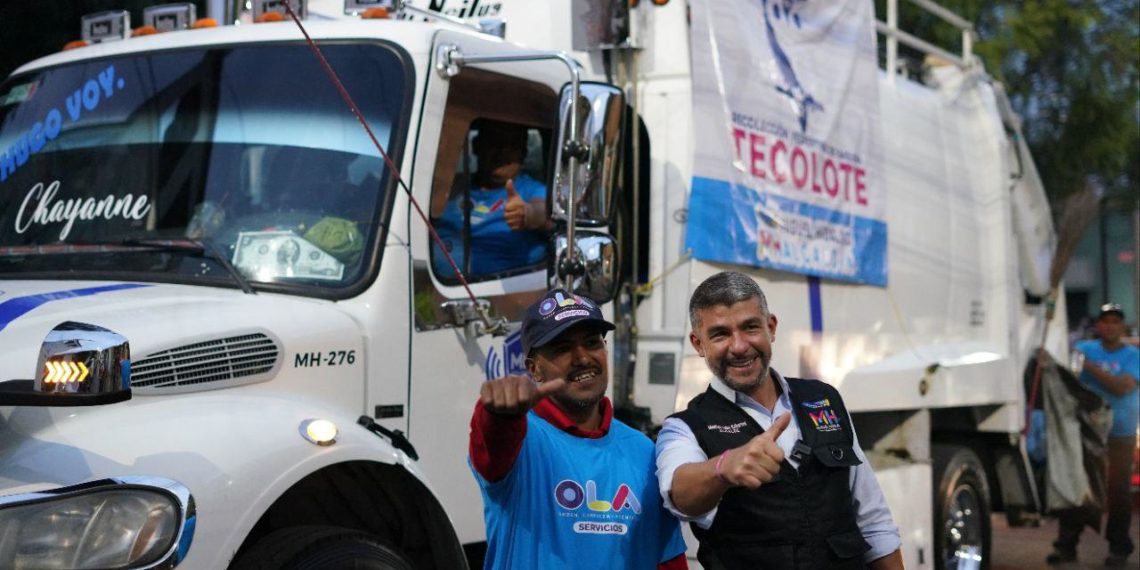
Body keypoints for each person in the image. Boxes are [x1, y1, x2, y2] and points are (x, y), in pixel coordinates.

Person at [655, 271, 903, 569]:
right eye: (720, 334)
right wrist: (723, 468)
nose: (739, 346)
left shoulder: (824, 399)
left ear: (771, 327)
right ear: (698, 344)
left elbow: (873, 520)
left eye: (750, 327)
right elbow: (679, 494)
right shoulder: (684, 427)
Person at [469, 288, 688, 569]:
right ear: (534, 369)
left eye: (592, 343)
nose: (583, 358)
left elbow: (667, 559)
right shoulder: (519, 438)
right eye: (562, 348)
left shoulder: (644, 450)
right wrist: (497, 413)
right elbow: (492, 443)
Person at [1047, 303, 1139, 567]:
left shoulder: (1132, 356)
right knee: (1077, 489)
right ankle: (1066, 546)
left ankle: (1119, 548)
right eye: (1105, 321)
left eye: (1115, 321)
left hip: (1120, 435)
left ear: (1122, 326)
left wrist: (1089, 366)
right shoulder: (1085, 349)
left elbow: (1123, 387)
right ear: (1098, 325)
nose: (1110, 326)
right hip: (1086, 434)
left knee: (1118, 493)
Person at [433, 120, 549, 278]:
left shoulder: (531, 190)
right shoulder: (452, 187)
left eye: (513, 145)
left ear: (523, 154)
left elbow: (547, 213)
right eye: (495, 142)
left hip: (497, 291)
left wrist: (528, 214)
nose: (504, 151)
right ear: (476, 146)